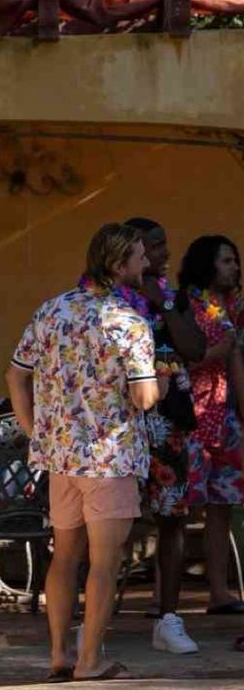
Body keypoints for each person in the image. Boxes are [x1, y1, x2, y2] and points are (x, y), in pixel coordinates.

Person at [6, 223, 160, 681]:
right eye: (139, 257)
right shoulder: (129, 321)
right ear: (118, 265)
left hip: (61, 460)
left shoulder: (52, 310)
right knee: (105, 563)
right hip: (109, 458)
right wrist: (162, 382)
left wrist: (36, 432)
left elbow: (16, 374)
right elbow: (145, 397)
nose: (146, 264)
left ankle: (59, 654)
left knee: (65, 556)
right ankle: (90, 660)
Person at [123, 218, 205, 653]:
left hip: (168, 425)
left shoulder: (176, 298)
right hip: (118, 425)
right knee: (108, 521)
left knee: (172, 518)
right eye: (154, 247)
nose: (164, 254)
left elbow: (194, 350)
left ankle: (169, 620)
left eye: (164, 245)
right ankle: (91, 621)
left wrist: (165, 308)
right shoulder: (107, 301)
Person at [177, 235, 244, 615]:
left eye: (235, 261)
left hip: (227, 418)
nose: (233, 267)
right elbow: (175, 359)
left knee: (223, 506)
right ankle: (162, 597)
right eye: (225, 261)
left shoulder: (236, 308)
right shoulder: (184, 305)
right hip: (192, 416)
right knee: (179, 509)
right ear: (207, 264)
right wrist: (214, 353)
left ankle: (219, 592)